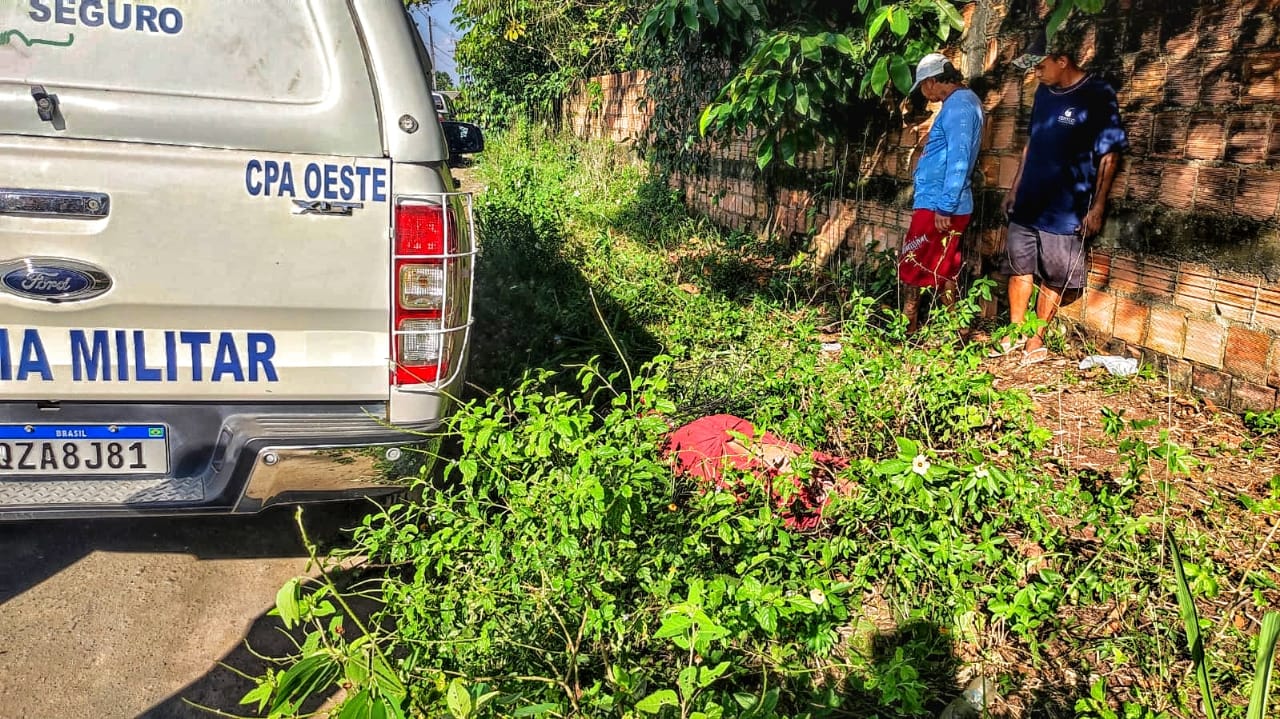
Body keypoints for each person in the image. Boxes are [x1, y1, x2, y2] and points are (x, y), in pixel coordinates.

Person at [994, 29, 1128, 364]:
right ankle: (1014, 332)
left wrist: (1098, 206)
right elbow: (1032, 143)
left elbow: (1110, 155)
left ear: (1062, 60)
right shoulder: (1043, 92)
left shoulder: (1097, 94)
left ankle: (1035, 339)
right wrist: (1014, 188)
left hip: (1065, 207)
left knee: (1055, 274)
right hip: (1028, 200)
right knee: (1019, 267)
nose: (1036, 72)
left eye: (1040, 65)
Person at [897, 53, 986, 334]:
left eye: (924, 86)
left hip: (939, 205)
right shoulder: (961, 103)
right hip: (945, 203)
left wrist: (945, 207)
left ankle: (906, 328)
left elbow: (959, 158)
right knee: (946, 266)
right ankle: (957, 330)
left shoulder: (959, 106)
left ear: (933, 81)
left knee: (912, 261)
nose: (925, 93)